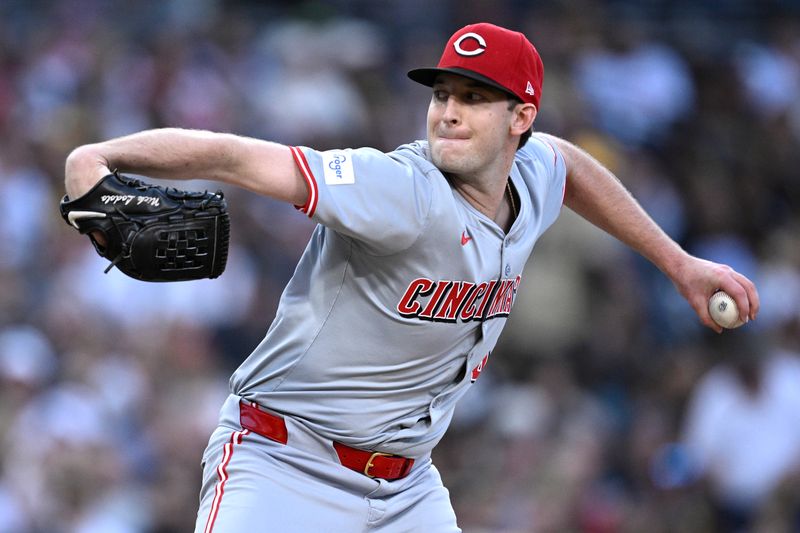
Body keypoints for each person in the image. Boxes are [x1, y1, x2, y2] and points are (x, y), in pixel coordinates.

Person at [63, 22, 759, 533]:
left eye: (476, 97)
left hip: (407, 490)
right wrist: (99, 154)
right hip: (284, 464)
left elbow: (568, 165)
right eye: (444, 92)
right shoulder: (399, 188)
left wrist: (679, 262)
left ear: (521, 117)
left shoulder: (534, 172)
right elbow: (235, 157)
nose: (449, 110)